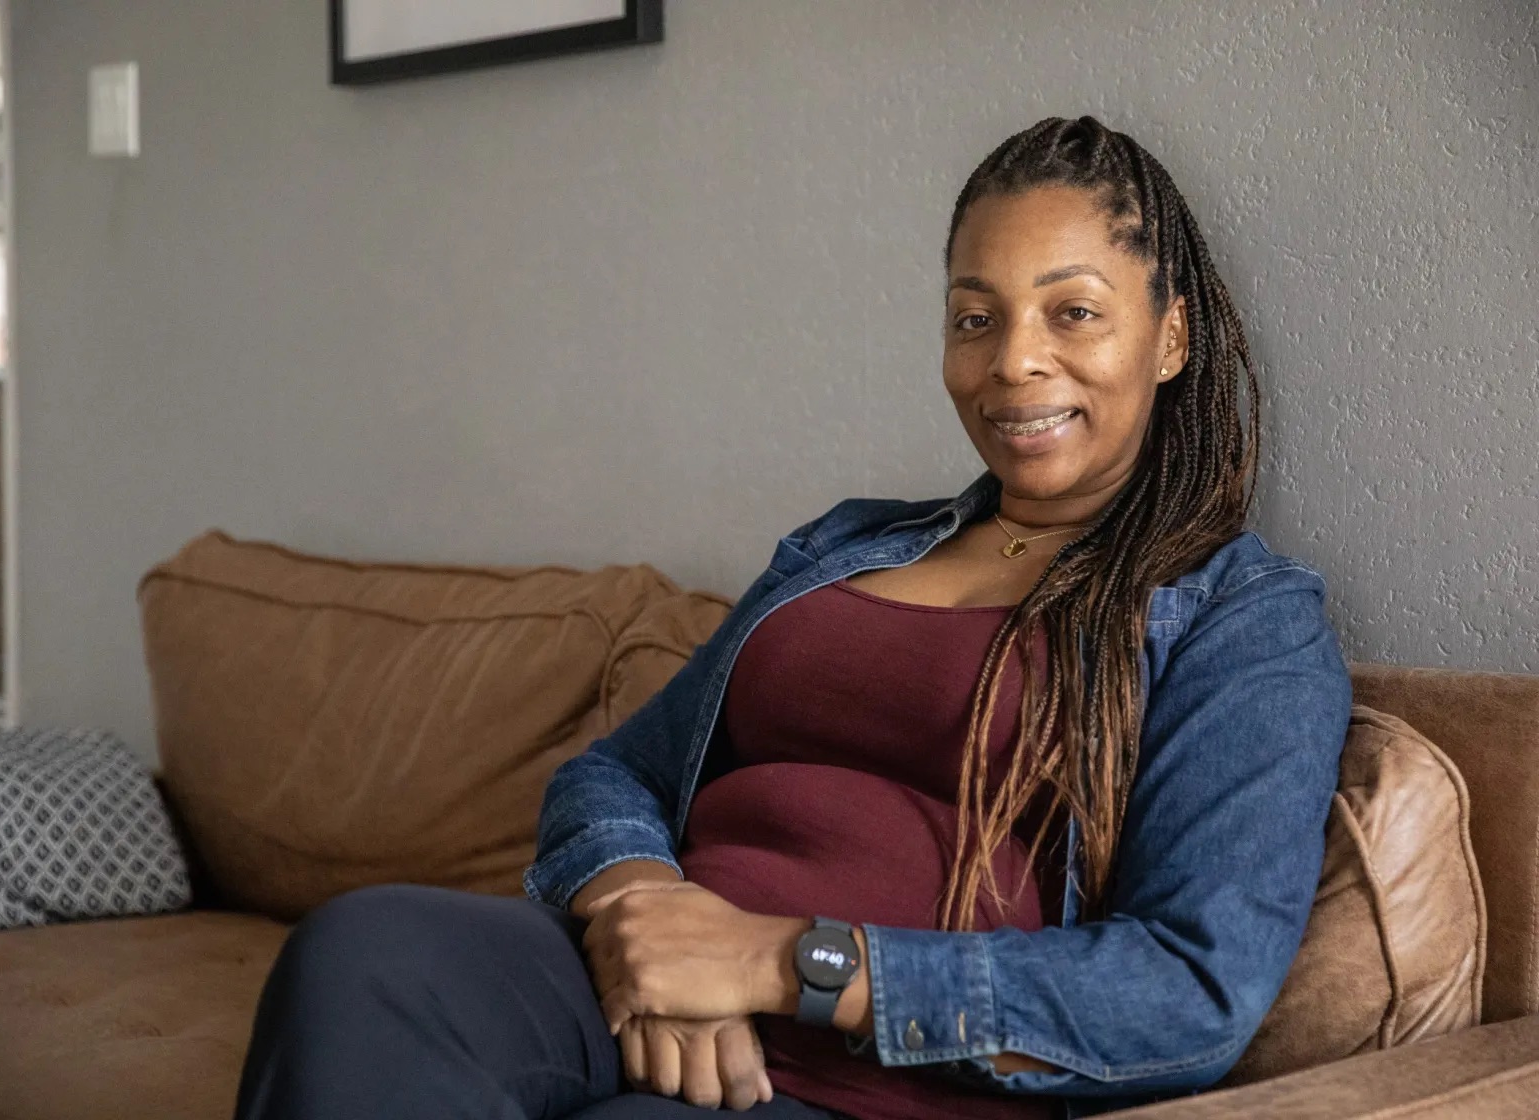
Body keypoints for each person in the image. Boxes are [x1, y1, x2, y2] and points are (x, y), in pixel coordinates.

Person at [234, 115, 1351, 1120]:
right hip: (640, 993)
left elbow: (1190, 992)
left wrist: (777, 964)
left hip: (868, 1076)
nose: (1012, 359)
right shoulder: (847, 545)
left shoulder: (1240, 619)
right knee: (364, 951)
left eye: (1072, 312)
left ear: (1167, 338)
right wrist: (646, 920)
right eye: (974, 315)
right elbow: (615, 771)